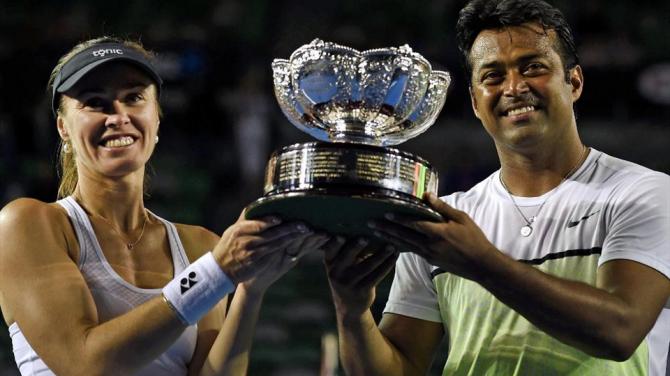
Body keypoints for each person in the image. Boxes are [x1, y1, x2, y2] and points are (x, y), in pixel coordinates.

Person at [324, 0, 670, 374]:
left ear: (574, 82)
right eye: (493, 76)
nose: (515, 87)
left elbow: (620, 331)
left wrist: (482, 262)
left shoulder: (642, 192)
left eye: (533, 67)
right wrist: (352, 310)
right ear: (475, 102)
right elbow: (401, 368)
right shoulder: (446, 221)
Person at [0, 36, 329, 375]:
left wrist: (249, 289)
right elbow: (85, 366)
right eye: (95, 102)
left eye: (134, 98)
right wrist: (217, 273)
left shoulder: (201, 246)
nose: (118, 116)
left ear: (156, 119)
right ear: (63, 128)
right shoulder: (27, 224)